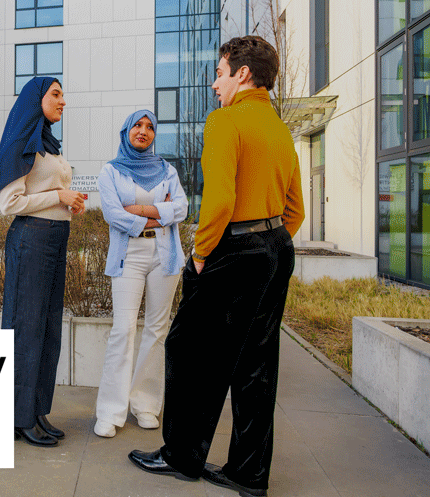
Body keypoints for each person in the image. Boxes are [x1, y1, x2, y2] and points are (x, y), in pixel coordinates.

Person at [129, 36, 305, 497]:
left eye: (220, 72)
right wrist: (272, 242)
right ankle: (249, 474)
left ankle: (181, 455)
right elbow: (296, 209)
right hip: (275, 246)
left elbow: (221, 200)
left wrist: (202, 254)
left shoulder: (225, 121)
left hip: (234, 248)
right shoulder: (280, 129)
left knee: (189, 350)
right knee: (256, 364)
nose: (214, 84)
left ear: (242, 74)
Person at [0, 77, 87, 448]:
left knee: (49, 328)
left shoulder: (48, 144)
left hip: (54, 237)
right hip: (31, 239)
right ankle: (17, 419)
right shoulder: (22, 142)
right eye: (56, 94)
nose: (63, 101)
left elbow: (50, 195)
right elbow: (10, 204)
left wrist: (68, 201)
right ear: (36, 99)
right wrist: (58, 195)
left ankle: (36, 410)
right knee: (26, 327)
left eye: (63, 94)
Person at [94, 110, 188, 438]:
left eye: (149, 127)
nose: (143, 131)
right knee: (123, 330)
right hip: (129, 256)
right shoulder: (111, 171)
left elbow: (182, 207)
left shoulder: (167, 170)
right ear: (127, 131)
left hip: (165, 255)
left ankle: (145, 404)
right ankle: (109, 411)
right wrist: (159, 214)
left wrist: (142, 210)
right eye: (138, 125)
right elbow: (112, 214)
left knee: (157, 330)